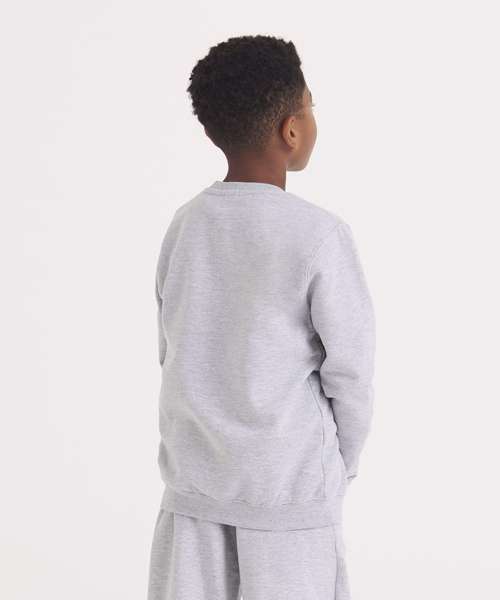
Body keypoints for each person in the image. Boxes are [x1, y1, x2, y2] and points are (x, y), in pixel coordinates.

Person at [147, 34, 376, 600]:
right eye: (311, 106)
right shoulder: (319, 236)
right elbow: (351, 373)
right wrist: (335, 467)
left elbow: (171, 349)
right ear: (291, 130)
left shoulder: (185, 225)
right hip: (288, 503)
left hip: (194, 496)